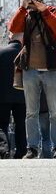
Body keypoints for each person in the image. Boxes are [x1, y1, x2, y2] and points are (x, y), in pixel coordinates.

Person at [10, 0, 56, 159]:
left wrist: (44, 11)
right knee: (31, 112)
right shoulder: (25, 15)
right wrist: (23, 8)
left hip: (52, 69)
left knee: (55, 112)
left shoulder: (53, 11)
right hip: (31, 70)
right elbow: (14, 28)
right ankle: (32, 148)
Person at [0, 25, 27, 158]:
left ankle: (3, 150)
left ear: (10, 37)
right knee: (21, 125)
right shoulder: (27, 54)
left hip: (2, 97)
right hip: (22, 96)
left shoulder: (1, 52)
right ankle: (21, 152)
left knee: (2, 125)